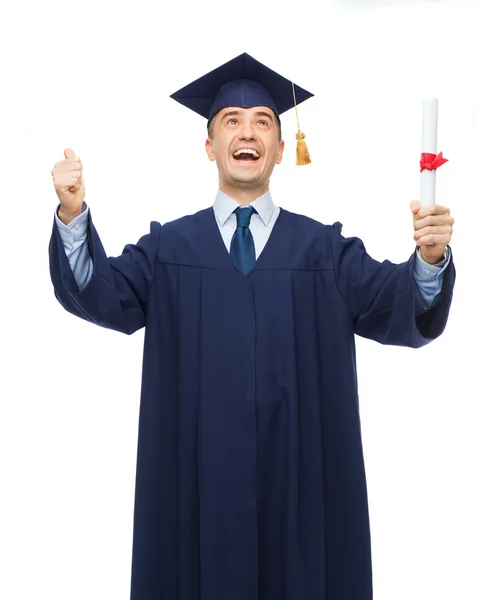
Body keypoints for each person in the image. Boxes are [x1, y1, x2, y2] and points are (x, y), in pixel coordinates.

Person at [49, 53, 456, 600]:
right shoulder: (169, 250)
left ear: (282, 149)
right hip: (199, 493)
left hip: (300, 493)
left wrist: (429, 258)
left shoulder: (324, 251)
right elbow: (100, 290)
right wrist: (73, 216)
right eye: (231, 122)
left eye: (263, 121)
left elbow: (395, 299)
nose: (247, 133)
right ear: (210, 145)